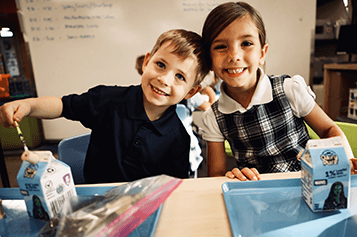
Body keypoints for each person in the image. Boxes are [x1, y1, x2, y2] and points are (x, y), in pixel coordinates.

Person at [0, 29, 209, 184]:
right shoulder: (107, 99)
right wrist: (27, 105)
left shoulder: (179, 138)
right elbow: (62, 106)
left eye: (180, 76)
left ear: (191, 92)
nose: (165, 79)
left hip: (143, 209)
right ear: (147, 62)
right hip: (93, 202)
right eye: (161, 65)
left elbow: (173, 188)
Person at [201, 2, 357, 181]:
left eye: (246, 43)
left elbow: (329, 129)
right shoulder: (213, 116)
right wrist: (233, 175)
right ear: (209, 59)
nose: (234, 56)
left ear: (262, 53)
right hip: (258, 194)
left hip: (307, 183)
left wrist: (347, 160)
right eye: (221, 46)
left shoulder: (289, 89)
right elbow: (215, 176)